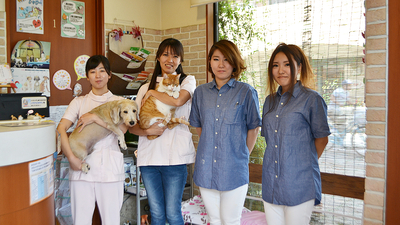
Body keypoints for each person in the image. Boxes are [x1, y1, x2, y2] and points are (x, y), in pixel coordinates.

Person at [189, 39, 262, 225]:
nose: (221, 65)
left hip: (234, 170)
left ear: (234, 63)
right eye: (216, 59)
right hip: (206, 169)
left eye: (226, 60)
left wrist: (242, 154)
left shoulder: (246, 92)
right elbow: (200, 127)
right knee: (214, 220)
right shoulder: (200, 93)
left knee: (230, 220)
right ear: (210, 62)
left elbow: (254, 128)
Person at [261, 43, 330, 225]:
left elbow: (322, 139)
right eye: (275, 65)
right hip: (271, 184)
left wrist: (300, 164)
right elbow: (270, 140)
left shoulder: (312, 99)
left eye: (287, 64)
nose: (281, 70)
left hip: (299, 184)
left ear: (299, 67)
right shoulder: (269, 101)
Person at [129, 38, 196, 225]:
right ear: (158, 57)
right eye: (166, 54)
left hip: (175, 160)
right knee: (157, 214)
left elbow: (177, 101)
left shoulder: (186, 81)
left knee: (173, 213)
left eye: (175, 56)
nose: (170, 59)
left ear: (181, 60)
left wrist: (153, 93)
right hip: (149, 160)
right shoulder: (144, 88)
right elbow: (131, 125)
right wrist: (148, 130)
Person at [57, 55, 128, 225]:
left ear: (109, 75)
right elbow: (61, 128)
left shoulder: (120, 102)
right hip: (81, 170)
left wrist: (94, 119)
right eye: (93, 71)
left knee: (111, 221)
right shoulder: (79, 102)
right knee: (81, 221)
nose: (98, 75)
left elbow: (121, 130)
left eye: (102, 71)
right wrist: (72, 159)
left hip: (110, 169)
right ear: (87, 76)